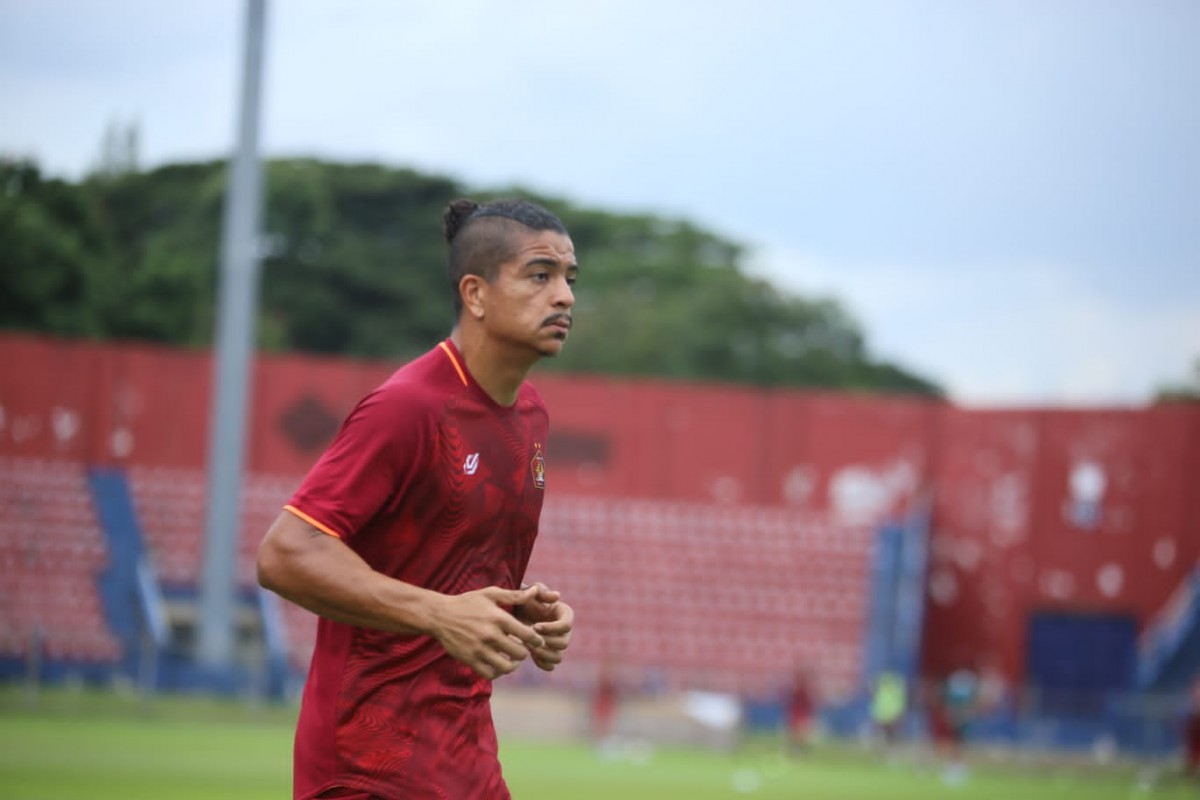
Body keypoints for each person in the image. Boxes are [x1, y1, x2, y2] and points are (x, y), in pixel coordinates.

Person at [257, 197, 578, 800]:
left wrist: (524, 616)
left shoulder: (532, 417)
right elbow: (284, 554)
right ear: (475, 294)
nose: (563, 296)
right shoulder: (407, 408)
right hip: (365, 764)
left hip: (468, 759)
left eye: (568, 278)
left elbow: (453, 577)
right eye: (541, 275)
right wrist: (437, 613)